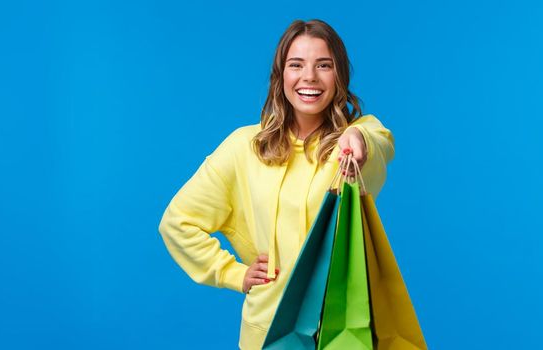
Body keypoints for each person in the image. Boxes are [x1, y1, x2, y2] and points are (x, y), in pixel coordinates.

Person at [157, 19, 394, 349]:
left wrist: (358, 138)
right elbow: (177, 222)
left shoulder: (352, 146)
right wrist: (232, 273)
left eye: (323, 65)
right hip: (267, 332)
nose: (309, 77)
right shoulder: (245, 146)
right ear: (280, 75)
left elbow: (379, 142)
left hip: (343, 331)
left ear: (338, 75)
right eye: (296, 65)